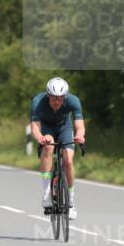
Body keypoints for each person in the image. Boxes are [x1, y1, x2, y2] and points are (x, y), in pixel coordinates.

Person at [30, 77, 85, 219]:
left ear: (65, 96)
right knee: (48, 146)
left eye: (60, 98)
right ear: (48, 95)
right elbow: (35, 126)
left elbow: (80, 125)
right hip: (46, 128)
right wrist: (40, 137)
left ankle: (71, 203)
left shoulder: (73, 101)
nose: (57, 101)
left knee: (68, 161)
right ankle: (46, 194)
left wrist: (79, 136)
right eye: (54, 97)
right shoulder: (38, 102)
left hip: (64, 128)